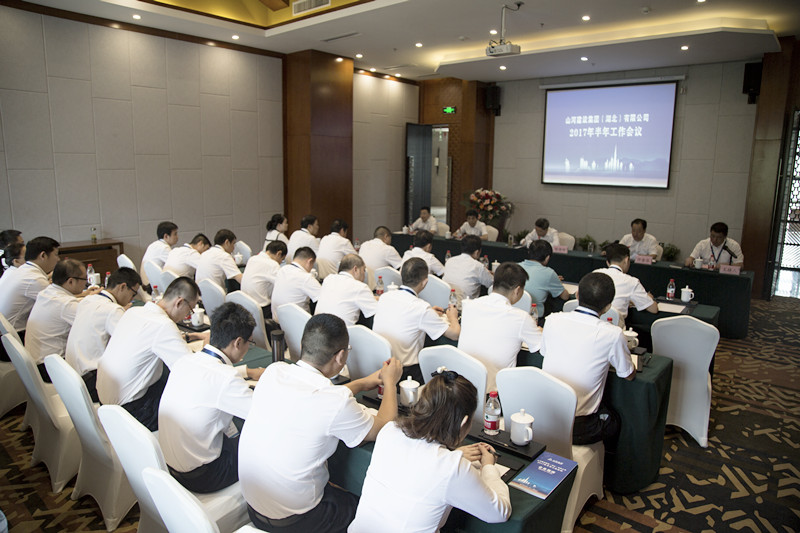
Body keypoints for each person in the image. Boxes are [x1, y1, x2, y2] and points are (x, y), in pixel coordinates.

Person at [239, 313, 403, 533]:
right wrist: (391, 382)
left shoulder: (274, 372)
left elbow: (318, 399)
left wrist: (363, 383)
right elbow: (382, 425)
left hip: (254, 508)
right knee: (368, 510)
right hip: (297, 521)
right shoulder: (334, 401)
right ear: (341, 356)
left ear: (303, 345)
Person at [349, 370, 511, 532]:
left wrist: (455, 455)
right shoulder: (452, 467)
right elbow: (499, 512)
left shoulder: (390, 430)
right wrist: (488, 467)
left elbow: (419, 464)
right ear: (464, 422)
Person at [159, 302, 264, 494]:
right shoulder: (226, 378)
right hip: (204, 476)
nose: (249, 347)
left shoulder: (185, 360)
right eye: (250, 342)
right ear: (238, 342)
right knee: (263, 445)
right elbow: (262, 417)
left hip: (170, 465)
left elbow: (215, 379)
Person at [96, 277, 209, 431]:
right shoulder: (163, 325)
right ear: (179, 303)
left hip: (105, 402)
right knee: (192, 402)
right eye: (190, 310)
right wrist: (207, 347)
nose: (186, 316)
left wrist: (190, 337)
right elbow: (191, 372)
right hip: (129, 412)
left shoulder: (134, 311)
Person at [540, 272, 635, 446]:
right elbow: (627, 374)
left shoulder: (552, 320)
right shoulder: (613, 334)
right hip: (578, 427)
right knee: (615, 419)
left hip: (544, 415)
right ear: (608, 307)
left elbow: (545, 352)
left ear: (577, 295)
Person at [458, 263, 542, 391]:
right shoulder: (521, 318)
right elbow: (541, 348)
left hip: (461, 384)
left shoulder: (469, 305)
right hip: (494, 391)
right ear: (517, 290)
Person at [373, 258, 460, 382]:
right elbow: (455, 334)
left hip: (379, 365)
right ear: (425, 282)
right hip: (405, 373)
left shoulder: (385, 297)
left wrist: (430, 313)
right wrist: (453, 317)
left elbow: (402, 313)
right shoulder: (422, 308)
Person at [65, 267, 141, 403]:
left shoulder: (88, 300)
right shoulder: (113, 310)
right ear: (123, 287)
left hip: (72, 378)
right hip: (91, 382)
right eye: (133, 294)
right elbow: (132, 344)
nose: (132, 299)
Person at [25, 259, 101, 381]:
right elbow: (96, 323)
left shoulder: (47, 292)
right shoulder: (65, 304)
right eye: (84, 280)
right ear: (71, 281)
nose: (86, 284)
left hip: (40, 363)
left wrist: (85, 296)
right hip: (51, 369)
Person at [0, 236, 60, 333]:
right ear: (43, 255)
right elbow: (59, 305)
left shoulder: (23, 270)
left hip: (8, 331)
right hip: (18, 333)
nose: (58, 259)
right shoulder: (34, 279)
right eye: (56, 255)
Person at [594, 243, 658, 323]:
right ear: (626, 260)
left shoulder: (595, 273)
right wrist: (649, 298)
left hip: (592, 324)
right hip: (615, 327)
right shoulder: (632, 282)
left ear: (607, 262)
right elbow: (653, 309)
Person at [315, 254, 377, 327]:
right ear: (356, 269)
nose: (364, 274)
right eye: (363, 270)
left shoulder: (328, 279)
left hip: (316, 327)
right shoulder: (359, 287)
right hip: (340, 332)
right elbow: (376, 313)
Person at [519, 240, 570, 320]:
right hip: (535, 319)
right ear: (547, 258)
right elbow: (565, 296)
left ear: (529, 252)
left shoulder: (515, 267)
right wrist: (557, 281)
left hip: (515, 314)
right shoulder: (549, 273)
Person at [270, 246, 321, 321]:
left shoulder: (282, 270)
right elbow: (324, 299)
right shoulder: (306, 278)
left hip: (277, 320)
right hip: (298, 323)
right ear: (309, 261)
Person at [241, 240, 287, 320]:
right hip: (261, 308)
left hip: (245, 304)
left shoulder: (253, 258)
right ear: (279, 253)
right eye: (282, 260)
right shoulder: (272, 264)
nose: (280, 263)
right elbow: (283, 285)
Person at [442, 235, 493, 299]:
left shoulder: (450, 260)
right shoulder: (478, 266)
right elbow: (492, 283)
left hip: (445, 299)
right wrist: (488, 273)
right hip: (465, 303)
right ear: (477, 252)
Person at [140, 221, 179, 286]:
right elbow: (176, 266)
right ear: (166, 236)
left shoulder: (153, 245)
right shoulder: (164, 248)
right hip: (152, 285)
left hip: (146, 283)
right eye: (175, 234)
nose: (177, 237)